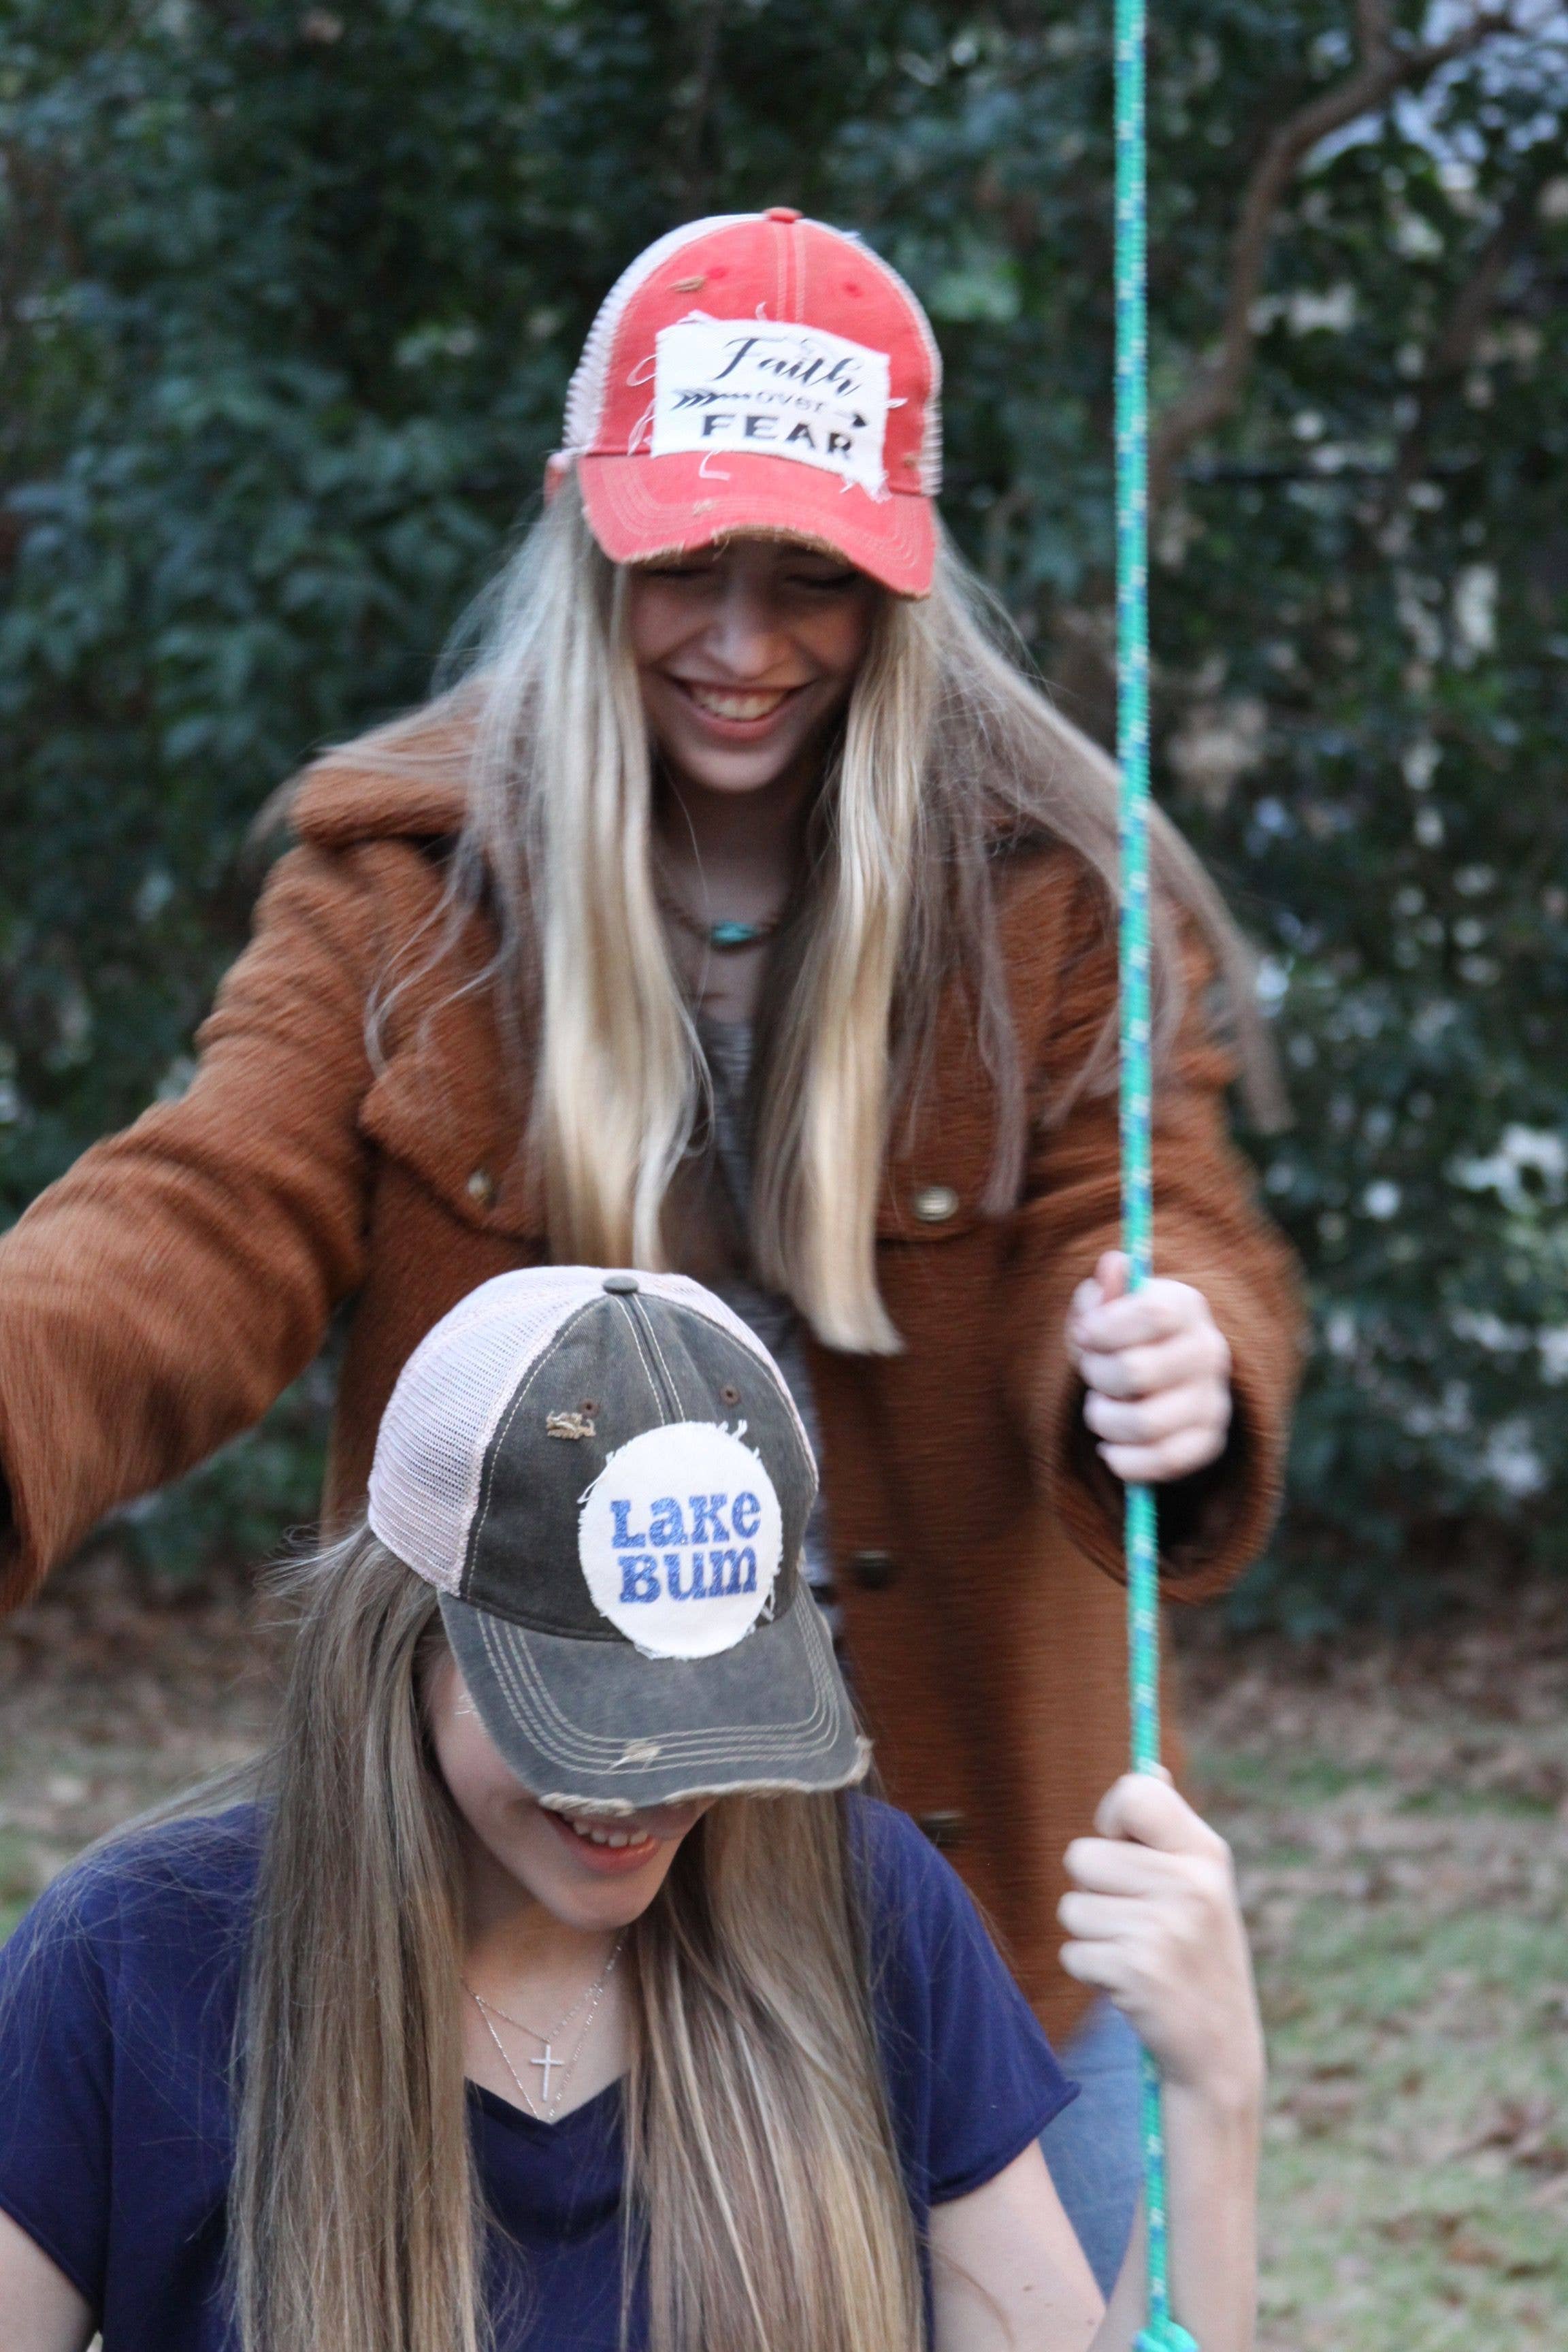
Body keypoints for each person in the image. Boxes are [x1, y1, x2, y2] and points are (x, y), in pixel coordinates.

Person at [0, 209, 1299, 2286]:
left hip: (955, 1919)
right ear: (576, 525)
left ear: (910, 569)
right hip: (518, 1921)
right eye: (687, 563)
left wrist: (1175, 1352)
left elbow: (1150, 1221)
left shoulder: (1050, 895)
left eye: (816, 582)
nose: (743, 639)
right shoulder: (403, 895)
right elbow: (191, 1219)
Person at [0, 1268, 1264, 2352]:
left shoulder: (868, 1910)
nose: (652, 1787)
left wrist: (1214, 2101)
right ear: (401, 1643)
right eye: (586, 1708)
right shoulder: (127, 1962)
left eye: (710, 1703)